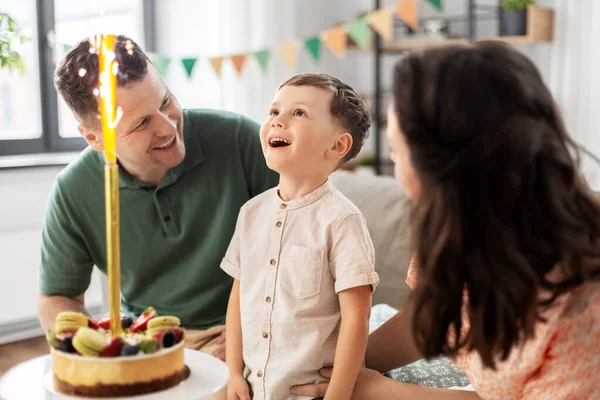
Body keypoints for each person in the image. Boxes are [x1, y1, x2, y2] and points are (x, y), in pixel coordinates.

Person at [291, 41, 600, 399]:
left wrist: (376, 388)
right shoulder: (459, 227)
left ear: (441, 168)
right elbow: (430, 318)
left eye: (396, 152)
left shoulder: (582, 306)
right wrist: (340, 366)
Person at [37, 35, 278, 361]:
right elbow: (57, 297)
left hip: (256, 328)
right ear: (96, 137)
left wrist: (252, 330)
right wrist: (97, 352)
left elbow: (304, 246)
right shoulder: (73, 191)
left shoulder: (240, 139)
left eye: (165, 102)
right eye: (142, 123)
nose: (168, 128)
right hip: (149, 346)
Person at [220, 73, 380, 400]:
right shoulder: (250, 213)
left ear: (337, 146)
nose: (278, 122)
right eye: (275, 111)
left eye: (299, 113)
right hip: (252, 390)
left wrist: (338, 395)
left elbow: (357, 316)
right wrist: (233, 373)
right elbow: (238, 297)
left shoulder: (342, 220)